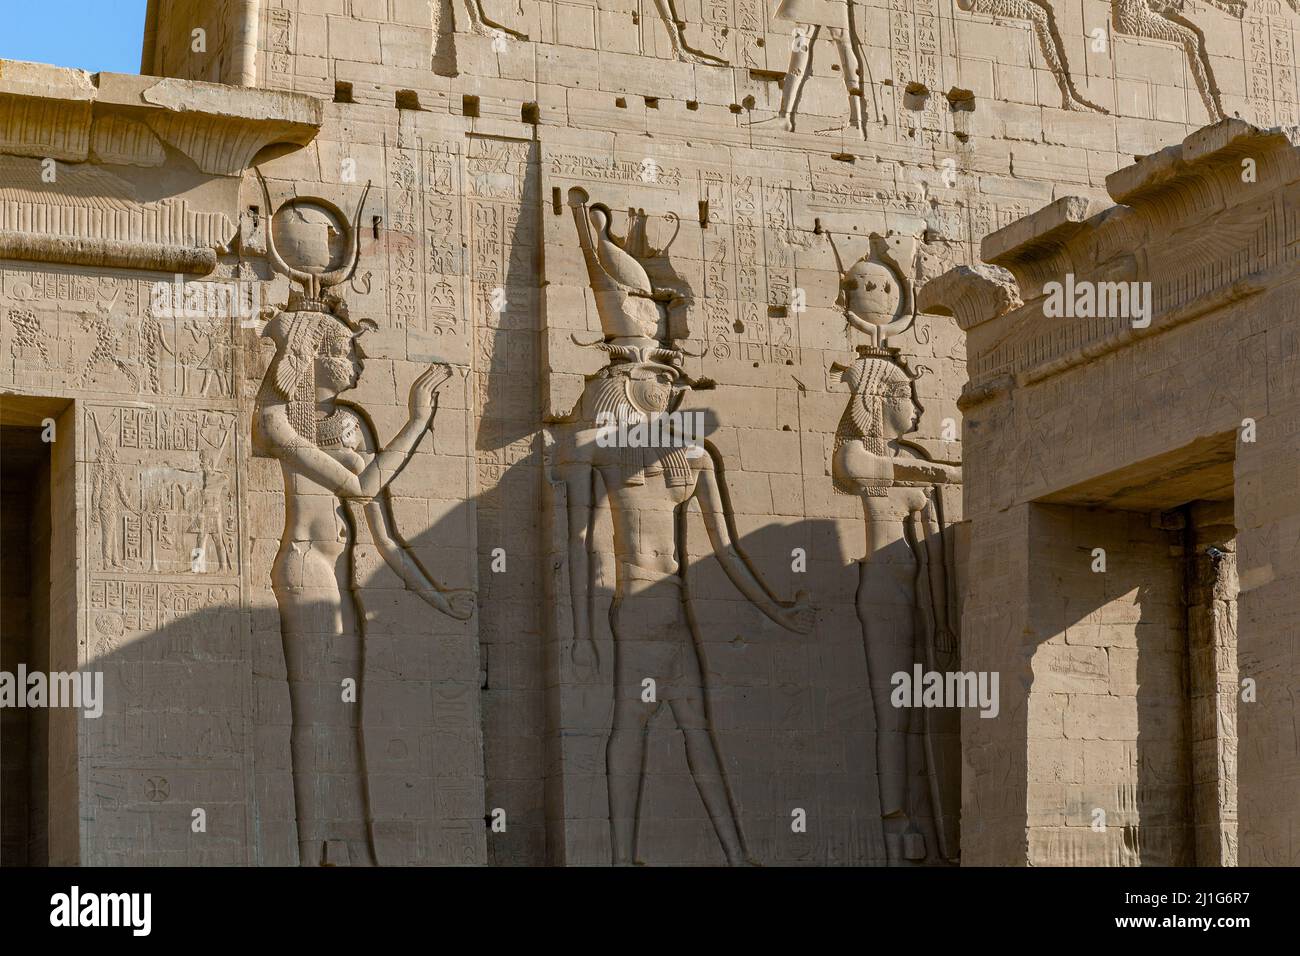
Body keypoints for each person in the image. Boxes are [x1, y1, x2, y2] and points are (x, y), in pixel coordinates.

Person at [254, 291, 473, 866]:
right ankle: (310, 850)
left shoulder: (350, 423)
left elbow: (386, 534)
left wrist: (437, 596)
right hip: (304, 568)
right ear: (313, 353)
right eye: (347, 348)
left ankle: (347, 844)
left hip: (339, 571)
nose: (359, 360)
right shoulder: (278, 418)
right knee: (314, 712)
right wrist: (418, 421)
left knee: (342, 713)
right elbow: (361, 486)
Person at [831, 345, 961, 864]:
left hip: (916, 600)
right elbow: (868, 469)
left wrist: (945, 621)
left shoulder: (912, 464)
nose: (918, 409)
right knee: (893, 714)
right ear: (877, 397)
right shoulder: (855, 455)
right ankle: (893, 820)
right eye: (907, 395)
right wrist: (946, 474)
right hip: (881, 596)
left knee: (919, 713)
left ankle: (923, 814)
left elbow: (938, 560)